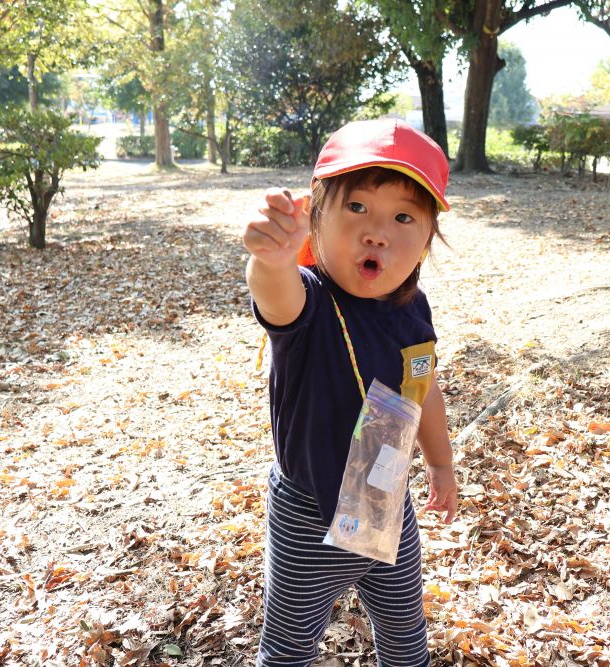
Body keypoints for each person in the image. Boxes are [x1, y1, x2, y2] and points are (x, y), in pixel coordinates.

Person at [242, 118, 459, 666]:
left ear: (427, 237)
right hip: (308, 519)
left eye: (404, 216)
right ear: (317, 216)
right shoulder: (309, 301)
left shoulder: (413, 310)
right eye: (357, 207)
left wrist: (441, 464)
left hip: (386, 500)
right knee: (289, 646)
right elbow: (276, 296)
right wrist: (271, 259)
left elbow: (421, 387)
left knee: (405, 630)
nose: (377, 232)